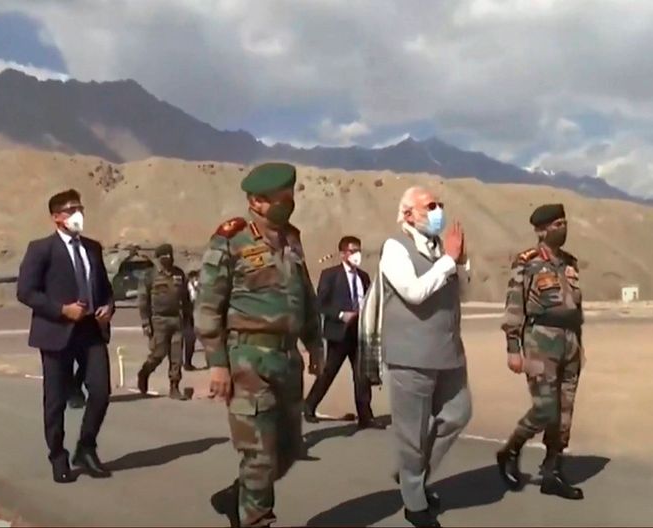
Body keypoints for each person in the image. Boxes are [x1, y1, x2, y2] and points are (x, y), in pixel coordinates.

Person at [195, 162, 324, 528]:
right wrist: (217, 362)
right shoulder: (231, 239)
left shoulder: (292, 239)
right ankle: (255, 519)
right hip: (248, 359)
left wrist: (314, 342)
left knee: (288, 451)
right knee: (259, 455)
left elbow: (305, 294)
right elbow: (208, 304)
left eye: (290, 196)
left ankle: (237, 496)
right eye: (280, 198)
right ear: (256, 201)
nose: (288, 203)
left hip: (287, 358)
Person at [380, 186, 472, 528]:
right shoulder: (395, 247)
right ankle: (414, 502)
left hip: (448, 351)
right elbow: (413, 292)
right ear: (408, 214)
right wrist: (448, 261)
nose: (438, 212)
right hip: (412, 355)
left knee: (458, 413)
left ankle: (412, 476)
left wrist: (459, 262)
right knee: (412, 433)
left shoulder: (440, 249)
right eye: (430, 206)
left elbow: (461, 293)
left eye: (440, 205)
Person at [16, 189, 115, 483]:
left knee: (100, 391)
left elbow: (105, 288)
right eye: (71, 210)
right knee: (56, 400)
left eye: (80, 208)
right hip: (56, 331)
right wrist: (62, 310)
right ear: (56, 217)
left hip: (90, 330)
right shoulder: (41, 249)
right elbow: (26, 292)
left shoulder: (93, 248)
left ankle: (86, 447)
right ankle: (58, 456)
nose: (78, 214)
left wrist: (108, 307)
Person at [497, 203, 585, 500]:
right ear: (541, 230)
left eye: (565, 222)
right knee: (545, 408)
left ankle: (552, 472)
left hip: (570, 342)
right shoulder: (528, 262)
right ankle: (511, 450)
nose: (563, 228)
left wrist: (579, 345)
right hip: (540, 342)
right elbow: (514, 306)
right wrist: (513, 348)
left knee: (564, 411)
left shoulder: (570, 263)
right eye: (557, 224)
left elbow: (576, 308)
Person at [304, 236, 382, 429]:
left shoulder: (363, 276)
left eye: (358, 250)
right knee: (329, 372)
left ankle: (365, 416)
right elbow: (320, 304)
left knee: (361, 375)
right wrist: (340, 314)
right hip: (339, 333)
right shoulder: (330, 275)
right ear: (342, 254)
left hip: (360, 333)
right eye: (352, 251)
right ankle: (309, 406)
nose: (357, 255)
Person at [136, 243, 191, 400]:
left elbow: (186, 297)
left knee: (176, 356)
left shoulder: (179, 274)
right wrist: (146, 323)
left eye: (169, 255)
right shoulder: (150, 275)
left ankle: (174, 386)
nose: (168, 258)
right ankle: (145, 372)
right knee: (158, 354)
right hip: (158, 320)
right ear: (158, 257)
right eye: (164, 255)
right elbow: (143, 301)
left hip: (177, 319)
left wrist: (188, 317)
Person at [183, 270, 201, 370]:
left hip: (198, 315)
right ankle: (187, 362)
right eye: (193, 277)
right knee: (190, 338)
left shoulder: (200, 287)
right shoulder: (184, 287)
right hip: (187, 316)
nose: (195, 279)